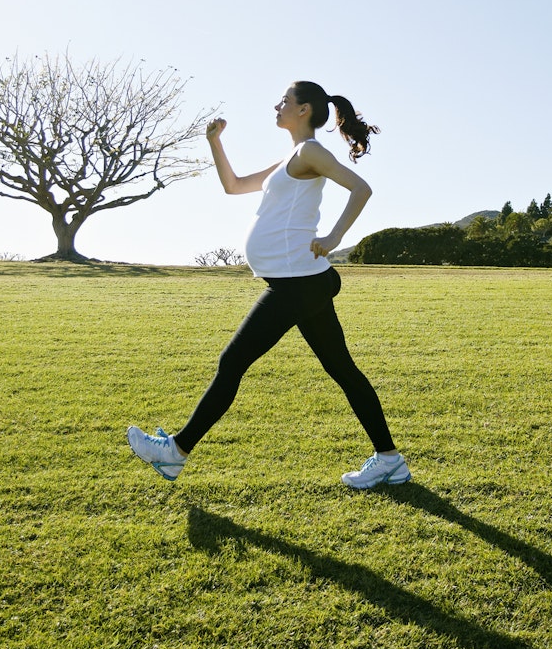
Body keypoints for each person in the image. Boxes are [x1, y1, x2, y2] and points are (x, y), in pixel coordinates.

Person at [127, 81, 410, 490]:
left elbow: (361, 189)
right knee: (342, 370)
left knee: (232, 362)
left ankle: (176, 452)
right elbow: (235, 185)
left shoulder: (311, 151)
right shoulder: (290, 158)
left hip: (296, 282)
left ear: (304, 110)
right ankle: (390, 460)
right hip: (300, 282)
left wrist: (332, 239)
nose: (276, 106)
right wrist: (214, 143)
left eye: (285, 101)